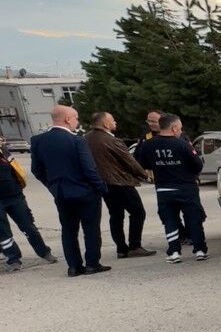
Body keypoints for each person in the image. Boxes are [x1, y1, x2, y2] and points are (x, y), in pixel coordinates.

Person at [30, 105, 110, 277]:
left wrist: (53, 185)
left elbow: (37, 170)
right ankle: (92, 264)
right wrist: (100, 188)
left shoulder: (38, 140)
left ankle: (74, 266)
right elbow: (89, 169)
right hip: (85, 192)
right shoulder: (77, 140)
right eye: (76, 118)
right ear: (67, 119)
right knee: (91, 229)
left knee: (68, 230)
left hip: (61, 193)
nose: (77, 122)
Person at [137, 113, 207, 263]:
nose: (181, 131)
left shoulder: (148, 144)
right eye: (180, 128)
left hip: (163, 188)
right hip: (186, 187)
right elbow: (197, 165)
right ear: (174, 128)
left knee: (169, 220)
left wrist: (159, 166)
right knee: (193, 219)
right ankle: (200, 250)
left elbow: (142, 162)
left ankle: (174, 251)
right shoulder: (182, 144)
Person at [86, 112, 156, 259]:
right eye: (112, 120)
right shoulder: (112, 140)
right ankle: (135, 245)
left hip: (103, 184)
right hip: (120, 182)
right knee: (138, 212)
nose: (115, 122)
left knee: (116, 215)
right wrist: (145, 175)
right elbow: (129, 161)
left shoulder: (85, 139)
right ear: (105, 123)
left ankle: (121, 249)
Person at [0, 136, 58, 272]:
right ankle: (13, 259)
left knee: (28, 226)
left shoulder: (4, 152)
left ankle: (44, 252)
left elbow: (16, 170)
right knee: (3, 232)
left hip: (14, 196)